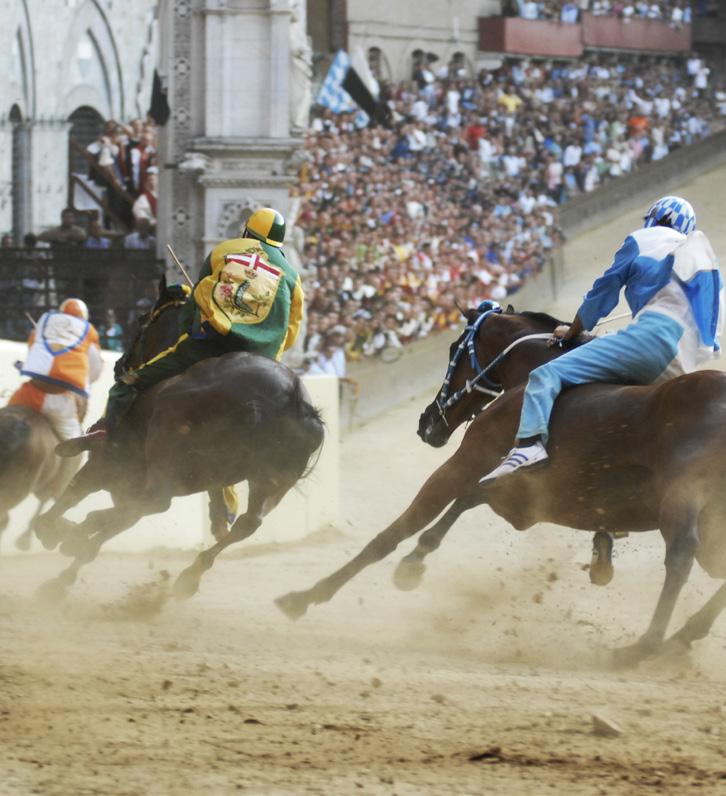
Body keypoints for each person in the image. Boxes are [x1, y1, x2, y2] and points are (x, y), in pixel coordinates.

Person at [480, 195, 723, 482]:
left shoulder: (644, 239)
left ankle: (529, 446)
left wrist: (573, 331)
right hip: (682, 363)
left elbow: (603, 293)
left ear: (655, 217)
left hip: (651, 339)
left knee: (545, 374)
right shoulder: (704, 267)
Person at [59, 207, 304, 454]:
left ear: (247, 231)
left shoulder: (224, 250)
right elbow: (292, 331)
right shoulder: (293, 276)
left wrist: (191, 330)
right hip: (263, 357)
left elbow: (197, 300)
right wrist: (268, 353)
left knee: (129, 381)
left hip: (212, 345)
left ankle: (105, 434)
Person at [8, 298, 103, 442]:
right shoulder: (88, 331)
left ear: (61, 312)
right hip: (58, 401)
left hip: (28, 393)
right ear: (84, 317)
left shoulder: (45, 323)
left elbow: (33, 350)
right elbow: (95, 370)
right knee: (75, 447)